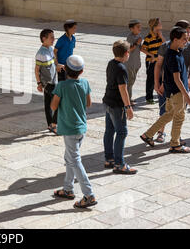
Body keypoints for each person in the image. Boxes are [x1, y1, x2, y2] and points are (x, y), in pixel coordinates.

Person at [51, 55, 97, 209]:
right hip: (81, 127)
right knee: (69, 157)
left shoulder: (62, 86)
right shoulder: (85, 83)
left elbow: (53, 106)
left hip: (69, 128)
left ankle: (88, 194)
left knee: (75, 160)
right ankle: (68, 189)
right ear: (82, 71)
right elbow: (88, 103)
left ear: (66, 70)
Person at [140, 27, 190, 153]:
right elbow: (177, 79)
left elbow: (165, 73)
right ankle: (175, 145)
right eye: (184, 39)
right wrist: (187, 97)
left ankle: (148, 135)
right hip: (177, 93)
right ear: (175, 39)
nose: (187, 41)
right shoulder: (174, 57)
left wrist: (163, 84)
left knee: (169, 114)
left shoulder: (171, 52)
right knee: (179, 117)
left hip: (170, 92)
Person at [154, 20, 190, 143]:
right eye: (186, 34)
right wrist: (158, 83)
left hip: (182, 85)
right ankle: (160, 132)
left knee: (179, 113)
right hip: (167, 85)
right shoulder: (166, 47)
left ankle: (176, 137)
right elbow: (159, 65)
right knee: (165, 111)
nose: (188, 37)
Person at [102, 40, 137, 174]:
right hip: (117, 105)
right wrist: (128, 107)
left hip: (108, 101)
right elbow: (123, 89)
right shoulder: (122, 68)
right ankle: (119, 164)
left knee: (109, 131)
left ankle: (109, 159)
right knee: (122, 132)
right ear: (127, 53)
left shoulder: (111, 63)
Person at [35, 29, 58, 134]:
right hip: (48, 84)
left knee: (48, 104)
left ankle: (50, 125)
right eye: (51, 37)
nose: (54, 39)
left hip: (55, 81)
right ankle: (54, 125)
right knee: (59, 103)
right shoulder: (41, 53)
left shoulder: (50, 48)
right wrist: (39, 83)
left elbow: (54, 61)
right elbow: (37, 70)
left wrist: (59, 66)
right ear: (44, 39)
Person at [141, 18, 166, 104]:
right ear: (155, 25)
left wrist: (161, 36)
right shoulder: (148, 37)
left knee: (160, 78)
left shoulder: (160, 36)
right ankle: (149, 97)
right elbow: (142, 48)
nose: (161, 24)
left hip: (159, 60)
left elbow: (165, 45)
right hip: (151, 61)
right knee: (150, 79)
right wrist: (151, 55)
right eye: (160, 23)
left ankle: (160, 94)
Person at [124, 19, 143, 104]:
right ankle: (127, 100)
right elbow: (129, 49)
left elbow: (140, 48)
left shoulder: (138, 36)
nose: (140, 28)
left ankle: (128, 98)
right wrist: (137, 43)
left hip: (136, 63)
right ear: (132, 29)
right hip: (130, 64)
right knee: (129, 82)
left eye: (140, 27)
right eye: (138, 27)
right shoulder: (130, 37)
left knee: (132, 81)